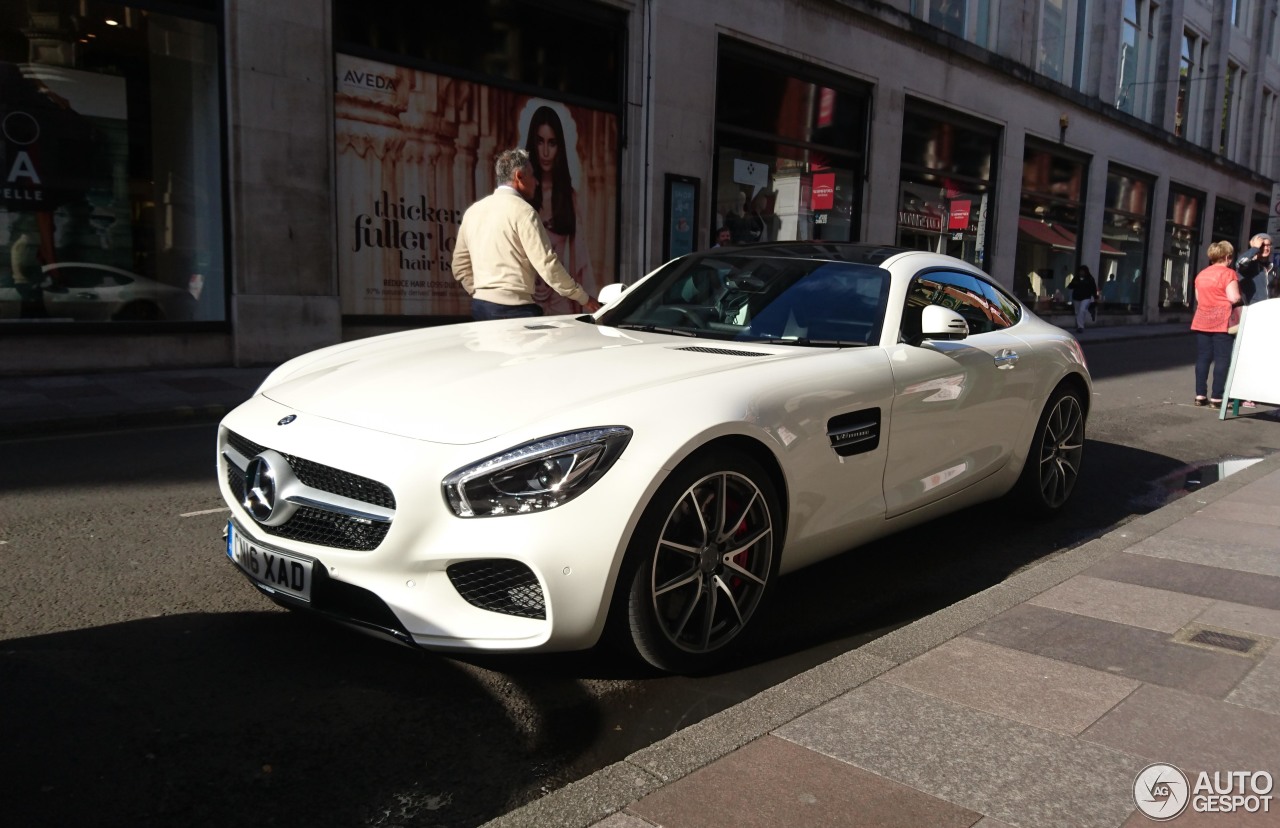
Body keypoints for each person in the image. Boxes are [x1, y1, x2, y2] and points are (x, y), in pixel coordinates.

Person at [451, 148, 601, 321]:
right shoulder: (524, 212)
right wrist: (584, 298)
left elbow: (459, 266)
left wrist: (482, 293)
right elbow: (548, 266)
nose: (536, 182)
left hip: (480, 307)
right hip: (515, 310)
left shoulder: (473, 212)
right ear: (519, 176)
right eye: (532, 175)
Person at [523, 104, 596, 315]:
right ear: (532, 144)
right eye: (540, 142)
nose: (545, 152)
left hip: (559, 297)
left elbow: (580, 261)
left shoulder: (568, 197)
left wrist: (588, 304)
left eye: (552, 143)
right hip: (524, 296)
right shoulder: (522, 196)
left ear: (560, 147)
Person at [1189, 240, 1241, 409]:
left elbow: (1198, 298)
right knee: (1222, 359)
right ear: (1226, 257)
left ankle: (1200, 395)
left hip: (1202, 320)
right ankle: (1217, 397)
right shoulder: (1229, 274)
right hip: (1222, 321)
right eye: (1231, 256)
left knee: (1203, 358)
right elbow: (1234, 298)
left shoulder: (1201, 274)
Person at [1234, 233, 1273, 306]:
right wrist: (1254, 249)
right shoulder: (1249, 266)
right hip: (1252, 310)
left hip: (1271, 311)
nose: (1266, 248)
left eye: (1268, 245)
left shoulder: (1272, 268)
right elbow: (1240, 263)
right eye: (1262, 245)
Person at [1067, 264, 1098, 334]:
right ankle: (1079, 325)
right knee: (1077, 312)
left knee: (1082, 310)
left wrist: (1095, 297)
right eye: (1080, 271)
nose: (1081, 273)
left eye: (1083, 271)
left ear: (1086, 272)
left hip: (1086, 297)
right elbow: (1070, 286)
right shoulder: (1076, 278)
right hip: (1076, 297)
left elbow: (1093, 288)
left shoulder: (1090, 279)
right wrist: (1074, 284)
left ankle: (1080, 327)